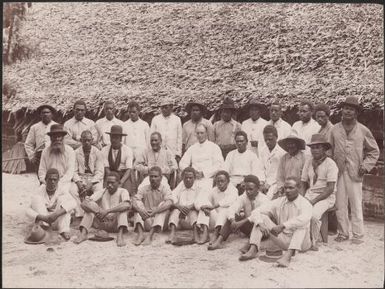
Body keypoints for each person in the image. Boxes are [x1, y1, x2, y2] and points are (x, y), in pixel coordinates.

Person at [329, 96, 379, 244]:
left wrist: (365, 166)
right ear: (341, 110)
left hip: (356, 172)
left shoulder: (363, 130)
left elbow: (374, 151)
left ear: (356, 112)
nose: (348, 111)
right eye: (346, 108)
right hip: (338, 172)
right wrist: (331, 165)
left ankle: (358, 234)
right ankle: (343, 233)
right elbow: (329, 149)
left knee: (356, 203)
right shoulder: (334, 129)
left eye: (351, 109)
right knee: (340, 204)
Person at [242, 178, 312, 266]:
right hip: (283, 239)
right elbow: (255, 212)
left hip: (302, 244)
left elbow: (304, 218)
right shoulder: (280, 201)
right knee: (261, 218)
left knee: (302, 225)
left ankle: (288, 256)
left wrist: (283, 226)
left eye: (291, 188)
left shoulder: (305, 203)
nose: (287, 190)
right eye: (285, 188)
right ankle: (253, 249)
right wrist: (260, 224)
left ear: (298, 188)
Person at [208, 175, 269, 251]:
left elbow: (257, 216)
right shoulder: (244, 197)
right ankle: (219, 241)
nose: (248, 192)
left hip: (262, 229)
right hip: (248, 227)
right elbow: (232, 209)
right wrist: (233, 221)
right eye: (246, 189)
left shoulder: (265, 199)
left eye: (251, 189)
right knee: (233, 216)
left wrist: (241, 223)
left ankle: (249, 245)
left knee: (258, 222)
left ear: (258, 188)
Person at [73, 172, 131, 247]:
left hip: (116, 224)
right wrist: (97, 212)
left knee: (123, 210)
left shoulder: (123, 191)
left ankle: (120, 236)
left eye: (112, 183)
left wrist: (107, 211)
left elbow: (127, 205)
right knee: (89, 210)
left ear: (118, 183)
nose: (110, 185)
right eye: (108, 183)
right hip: (102, 222)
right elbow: (84, 203)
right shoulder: (102, 191)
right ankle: (83, 234)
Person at [300, 134, 338, 250]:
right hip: (310, 193)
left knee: (314, 215)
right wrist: (301, 198)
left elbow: (330, 188)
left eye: (318, 147)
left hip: (326, 196)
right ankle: (301, 237)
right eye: (312, 147)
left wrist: (313, 201)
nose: (314, 150)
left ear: (324, 149)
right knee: (299, 212)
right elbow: (303, 182)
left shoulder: (330, 164)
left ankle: (313, 241)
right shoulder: (308, 161)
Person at [26, 168, 76, 241]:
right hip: (45, 221)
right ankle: (45, 228)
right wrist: (43, 218)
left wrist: (56, 214)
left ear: (58, 180)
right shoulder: (40, 190)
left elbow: (73, 203)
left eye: (55, 180)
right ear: (45, 180)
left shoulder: (62, 189)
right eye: (50, 179)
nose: (52, 182)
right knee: (36, 198)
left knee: (63, 200)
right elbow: (27, 210)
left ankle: (64, 230)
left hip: (58, 220)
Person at [132, 166, 173, 246]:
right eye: (151, 176)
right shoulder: (143, 189)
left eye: (155, 176)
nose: (153, 179)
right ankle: (140, 235)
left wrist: (156, 211)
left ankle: (150, 236)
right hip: (147, 219)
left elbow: (170, 203)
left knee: (163, 205)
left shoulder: (165, 189)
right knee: (138, 206)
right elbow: (134, 201)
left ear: (161, 178)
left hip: (160, 224)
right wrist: (140, 210)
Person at [196, 170, 238, 244]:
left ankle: (216, 234)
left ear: (228, 181)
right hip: (216, 219)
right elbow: (202, 200)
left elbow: (229, 201)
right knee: (205, 208)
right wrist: (203, 207)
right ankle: (205, 233)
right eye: (218, 181)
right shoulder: (214, 190)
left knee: (224, 210)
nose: (220, 183)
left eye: (222, 181)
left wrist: (213, 206)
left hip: (227, 222)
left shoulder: (233, 190)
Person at [70, 130, 104, 219]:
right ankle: (80, 214)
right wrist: (78, 183)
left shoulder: (97, 152)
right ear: (80, 140)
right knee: (72, 190)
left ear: (92, 140)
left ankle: (92, 209)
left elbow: (100, 172)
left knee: (99, 190)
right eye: (84, 140)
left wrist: (91, 183)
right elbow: (73, 171)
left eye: (89, 140)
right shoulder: (76, 152)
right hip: (80, 177)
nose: (87, 142)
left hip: (93, 178)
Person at [179, 124, 224, 190]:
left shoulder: (214, 147)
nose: (200, 135)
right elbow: (182, 163)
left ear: (206, 133)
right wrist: (191, 172)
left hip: (207, 179)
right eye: (198, 133)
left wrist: (203, 173)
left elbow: (219, 165)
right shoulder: (192, 148)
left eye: (202, 133)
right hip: (192, 178)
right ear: (195, 134)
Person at [167, 167, 202, 244]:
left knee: (193, 213)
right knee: (175, 211)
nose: (188, 180)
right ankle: (172, 233)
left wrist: (189, 207)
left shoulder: (199, 188)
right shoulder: (180, 186)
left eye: (190, 178)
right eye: (186, 178)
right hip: (180, 220)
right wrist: (179, 206)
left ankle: (196, 234)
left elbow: (200, 201)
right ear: (182, 178)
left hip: (192, 220)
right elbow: (171, 196)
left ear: (195, 178)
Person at [38, 124, 76, 193]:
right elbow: (42, 170)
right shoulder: (45, 151)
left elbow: (69, 173)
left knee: (65, 194)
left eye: (59, 136)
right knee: (39, 195)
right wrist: (44, 181)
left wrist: (58, 183)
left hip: (64, 182)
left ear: (63, 138)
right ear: (51, 138)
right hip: (48, 182)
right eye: (54, 137)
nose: (57, 139)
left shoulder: (70, 151)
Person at [101, 125, 134, 195]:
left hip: (123, 175)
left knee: (126, 193)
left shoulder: (128, 150)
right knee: (105, 192)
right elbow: (106, 168)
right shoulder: (104, 150)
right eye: (112, 137)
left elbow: (129, 170)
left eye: (116, 138)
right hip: (110, 175)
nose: (114, 140)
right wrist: (112, 181)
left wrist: (121, 182)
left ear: (121, 139)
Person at [24, 104, 57, 172]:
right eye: (43, 112)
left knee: (53, 175)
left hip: (54, 154)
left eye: (48, 112)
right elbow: (28, 143)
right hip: (39, 156)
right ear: (40, 115)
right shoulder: (35, 127)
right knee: (41, 177)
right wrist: (32, 156)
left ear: (52, 114)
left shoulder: (57, 126)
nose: (45, 114)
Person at [150, 97, 182, 163]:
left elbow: (179, 137)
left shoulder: (177, 119)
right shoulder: (156, 119)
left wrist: (178, 153)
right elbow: (151, 136)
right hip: (158, 150)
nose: (164, 109)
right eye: (162, 108)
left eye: (166, 107)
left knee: (172, 169)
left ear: (171, 107)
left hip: (172, 151)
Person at [258, 125, 286, 199]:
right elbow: (261, 168)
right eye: (266, 139)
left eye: (270, 139)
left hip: (276, 183)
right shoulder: (262, 151)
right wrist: (261, 182)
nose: (267, 142)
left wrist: (269, 184)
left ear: (276, 137)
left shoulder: (282, 153)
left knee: (269, 197)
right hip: (263, 182)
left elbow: (279, 173)